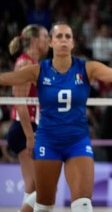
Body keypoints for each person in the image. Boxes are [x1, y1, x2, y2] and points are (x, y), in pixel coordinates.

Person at [0, 22, 112, 212]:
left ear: (73, 44)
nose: (64, 40)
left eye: (68, 37)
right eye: (59, 36)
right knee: (43, 206)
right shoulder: (38, 70)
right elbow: (5, 79)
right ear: (51, 43)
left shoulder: (87, 68)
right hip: (48, 141)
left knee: (83, 205)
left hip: (77, 141)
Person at [7, 24, 50, 212]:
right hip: (24, 129)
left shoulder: (34, 64)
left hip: (29, 128)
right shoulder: (25, 64)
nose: (48, 41)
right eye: (45, 37)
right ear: (34, 41)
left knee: (32, 188)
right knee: (40, 189)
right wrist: (30, 136)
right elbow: (20, 103)